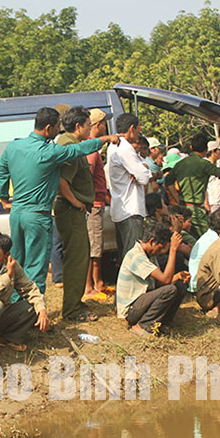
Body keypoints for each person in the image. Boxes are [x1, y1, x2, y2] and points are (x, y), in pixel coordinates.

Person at [0, 107, 118, 293]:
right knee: (36, 267)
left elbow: (1, 171)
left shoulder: (14, 146)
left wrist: (4, 199)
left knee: (16, 263)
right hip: (37, 216)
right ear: (48, 128)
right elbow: (78, 149)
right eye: (57, 127)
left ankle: (14, 306)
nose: (59, 131)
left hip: (17, 214)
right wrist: (106, 139)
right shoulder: (49, 151)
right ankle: (33, 312)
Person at [55, 106, 99, 321]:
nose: (90, 130)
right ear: (78, 126)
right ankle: (71, 310)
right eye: (88, 126)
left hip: (72, 209)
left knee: (78, 256)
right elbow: (62, 181)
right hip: (70, 209)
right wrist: (75, 202)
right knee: (76, 259)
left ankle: (75, 301)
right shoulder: (70, 147)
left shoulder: (70, 144)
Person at [116, 222, 190, 338]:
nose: (160, 252)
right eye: (160, 248)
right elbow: (165, 281)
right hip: (131, 309)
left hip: (142, 299)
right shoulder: (137, 256)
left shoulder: (150, 255)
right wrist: (173, 250)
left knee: (180, 285)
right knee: (170, 290)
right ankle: (142, 325)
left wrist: (177, 276)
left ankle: (162, 323)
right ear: (151, 242)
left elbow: (159, 282)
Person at [165, 134, 220, 237]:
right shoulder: (203, 164)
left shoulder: (181, 163)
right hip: (196, 210)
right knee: (210, 237)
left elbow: (168, 181)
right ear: (206, 149)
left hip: (182, 208)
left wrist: (177, 198)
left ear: (191, 147)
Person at [107, 113, 152, 261]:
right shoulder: (125, 148)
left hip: (121, 207)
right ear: (132, 129)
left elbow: (141, 170)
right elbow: (144, 177)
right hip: (130, 209)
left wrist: (141, 168)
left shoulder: (113, 146)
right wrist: (142, 169)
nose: (139, 134)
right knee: (133, 256)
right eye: (138, 129)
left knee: (126, 254)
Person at [84, 108, 112, 300]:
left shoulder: (93, 148)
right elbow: (87, 178)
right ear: (97, 126)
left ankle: (99, 282)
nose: (105, 127)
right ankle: (88, 288)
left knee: (97, 247)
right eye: (103, 124)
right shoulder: (91, 151)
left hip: (97, 203)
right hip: (93, 205)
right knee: (92, 249)